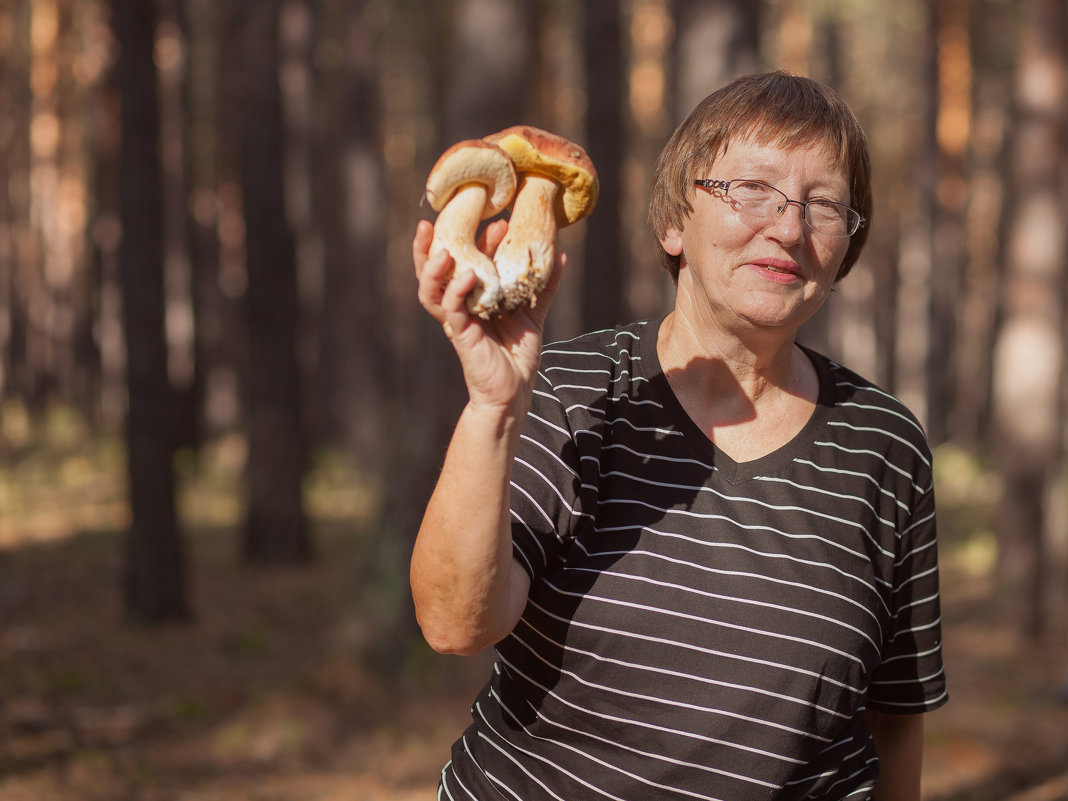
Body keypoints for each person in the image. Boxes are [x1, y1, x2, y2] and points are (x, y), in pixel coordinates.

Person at [411, 72, 947, 801]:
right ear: (674, 222)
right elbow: (454, 623)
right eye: (750, 189)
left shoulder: (883, 444)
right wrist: (494, 408)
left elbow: (896, 714)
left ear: (845, 247)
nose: (788, 228)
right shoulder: (574, 392)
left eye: (823, 204)